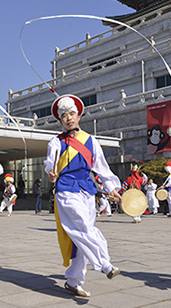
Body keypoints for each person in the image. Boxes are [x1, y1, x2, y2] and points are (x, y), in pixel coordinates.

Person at [46, 94, 122, 298]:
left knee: (83, 235)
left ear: (79, 116)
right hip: (65, 190)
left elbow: (102, 168)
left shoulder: (91, 141)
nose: (69, 118)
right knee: (83, 227)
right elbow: (49, 165)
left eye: (72, 114)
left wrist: (112, 187)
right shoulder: (55, 141)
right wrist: (51, 175)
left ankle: (73, 281)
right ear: (60, 121)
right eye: (64, 116)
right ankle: (105, 263)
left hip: (87, 190)